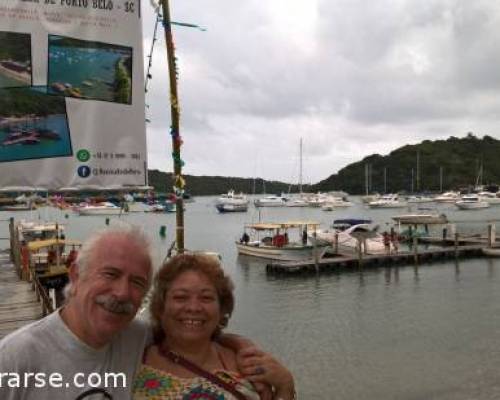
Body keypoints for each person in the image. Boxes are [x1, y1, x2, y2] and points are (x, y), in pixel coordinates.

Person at [0, 225, 278, 399]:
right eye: (110, 274)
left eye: (136, 282)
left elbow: (190, 332)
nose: (122, 292)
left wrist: (243, 347)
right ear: (76, 274)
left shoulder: (135, 336)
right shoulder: (16, 357)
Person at [132, 253, 296, 400]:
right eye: (181, 297)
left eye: (206, 298)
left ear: (222, 308)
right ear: (161, 306)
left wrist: (285, 386)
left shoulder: (246, 366)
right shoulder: (134, 362)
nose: (194, 307)